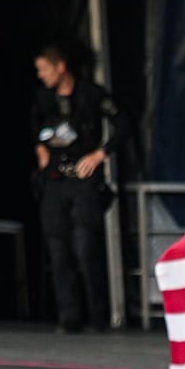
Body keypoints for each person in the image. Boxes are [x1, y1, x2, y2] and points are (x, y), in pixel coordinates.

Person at [30, 43, 118, 332]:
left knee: (86, 246)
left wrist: (100, 154)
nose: (41, 75)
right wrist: (40, 150)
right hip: (56, 180)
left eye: (44, 69)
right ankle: (69, 316)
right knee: (58, 249)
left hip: (84, 179)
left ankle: (98, 315)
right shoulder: (43, 99)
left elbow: (123, 123)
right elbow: (34, 127)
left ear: (60, 67)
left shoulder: (91, 94)